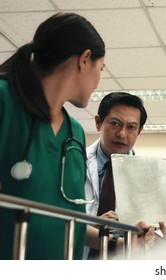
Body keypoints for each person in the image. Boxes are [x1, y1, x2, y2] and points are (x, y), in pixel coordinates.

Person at [0, 12, 105, 259]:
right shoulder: (4, 101)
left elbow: (66, 220)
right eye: (101, 68)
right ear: (85, 59)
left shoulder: (74, 133)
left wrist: (122, 239)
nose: (99, 81)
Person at [84, 91, 166, 259]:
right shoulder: (74, 164)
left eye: (131, 127)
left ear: (140, 130)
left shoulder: (150, 177)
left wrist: (163, 237)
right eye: (115, 123)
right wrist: (93, 222)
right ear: (98, 123)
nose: (122, 134)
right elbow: (55, 221)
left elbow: (152, 240)